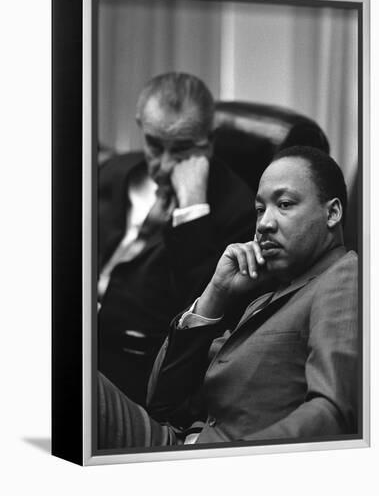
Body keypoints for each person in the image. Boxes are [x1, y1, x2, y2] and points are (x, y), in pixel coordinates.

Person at [97, 145, 359, 449]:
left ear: (332, 213)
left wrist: (223, 461)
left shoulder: (344, 275)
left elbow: (333, 411)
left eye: (284, 204)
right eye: (260, 209)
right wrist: (215, 294)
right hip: (174, 439)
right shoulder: (264, 295)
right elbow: (160, 402)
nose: (264, 224)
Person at [97, 73, 255, 405]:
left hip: (134, 376)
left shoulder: (239, 211)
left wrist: (193, 211)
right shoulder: (111, 174)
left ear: (208, 141)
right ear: (141, 126)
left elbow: (204, 320)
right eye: (155, 145)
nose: (165, 166)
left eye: (183, 150)